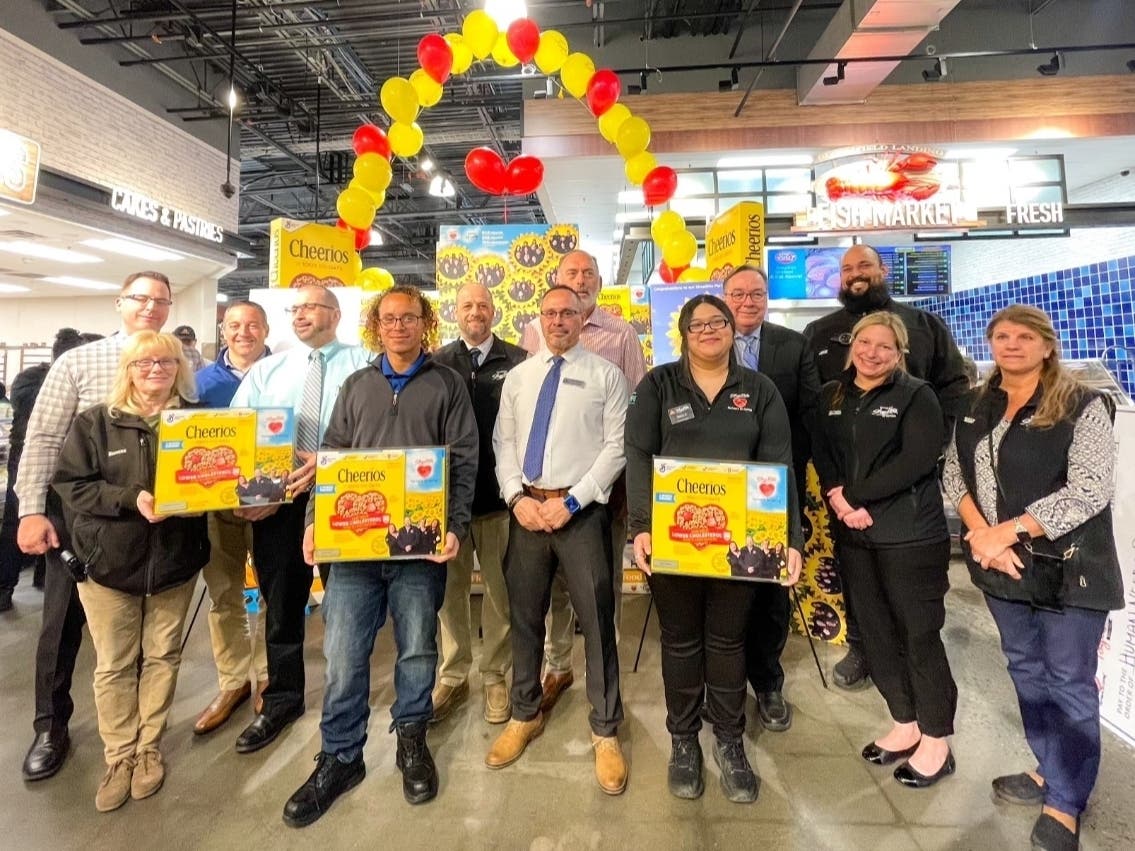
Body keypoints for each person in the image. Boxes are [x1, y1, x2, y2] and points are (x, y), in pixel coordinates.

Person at [283, 284, 477, 826]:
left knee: (417, 650)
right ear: (376, 325)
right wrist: (314, 519)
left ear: (424, 323)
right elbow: (331, 459)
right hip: (354, 549)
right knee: (344, 655)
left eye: (408, 317)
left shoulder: (447, 384)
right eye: (389, 318)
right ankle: (340, 756)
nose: (398, 327)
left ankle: (411, 738)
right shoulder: (357, 385)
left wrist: (455, 525)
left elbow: (463, 459)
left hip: (418, 546)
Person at [943, 304, 1123, 851]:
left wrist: (1007, 533)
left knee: (1068, 681)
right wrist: (983, 537)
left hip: (1069, 570)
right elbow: (954, 475)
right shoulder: (975, 405)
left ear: (1047, 346)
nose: (1011, 344)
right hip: (1002, 567)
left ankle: (1066, 802)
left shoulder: (1083, 405)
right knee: (1025, 669)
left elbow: (1089, 491)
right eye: (1001, 336)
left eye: (1024, 336)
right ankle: (1051, 767)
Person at [625, 294, 803, 803]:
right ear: (684, 334)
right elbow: (637, 455)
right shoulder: (658, 385)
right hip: (675, 541)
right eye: (697, 324)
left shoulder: (760, 391)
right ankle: (684, 741)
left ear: (731, 329)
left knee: (727, 643)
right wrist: (641, 526)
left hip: (739, 548)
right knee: (680, 642)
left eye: (718, 322)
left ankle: (729, 741)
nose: (709, 330)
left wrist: (788, 539)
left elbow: (779, 465)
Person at [16, 272, 174, 781]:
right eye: (140, 298)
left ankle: (141, 740)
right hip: (82, 517)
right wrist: (31, 509)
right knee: (62, 625)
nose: (150, 307)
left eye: (160, 300)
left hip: (156, 528)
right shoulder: (79, 361)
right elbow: (43, 438)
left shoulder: (176, 360)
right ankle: (50, 727)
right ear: (119, 302)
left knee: (148, 638)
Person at [51, 331, 208, 811]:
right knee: (114, 663)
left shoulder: (199, 423)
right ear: (129, 369)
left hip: (175, 562)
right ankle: (119, 756)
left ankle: (148, 749)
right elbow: (71, 484)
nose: (155, 369)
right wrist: (129, 499)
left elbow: (216, 478)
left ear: (179, 369)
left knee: (162, 656)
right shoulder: (96, 422)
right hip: (109, 565)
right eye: (145, 362)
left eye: (166, 362)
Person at [803, 243, 968, 690]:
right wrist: (839, 492)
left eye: (865, 266)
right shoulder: (819, 332)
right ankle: (863, 646)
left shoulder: (924, 325)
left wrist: (932, 439)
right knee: (859, 579)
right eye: (847, 268)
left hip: (908, 489)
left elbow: (954, 386)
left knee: (912, 595)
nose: (855, 274)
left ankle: (915, 660)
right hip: (844, 491)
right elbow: (816, 411)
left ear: (883, 271)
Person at [487, 286, 629, 795]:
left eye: (568, 312)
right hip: (527, 510)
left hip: (581, 513)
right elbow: (503, 441)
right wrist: (514, 497)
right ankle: (524, 714)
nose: (558, 320)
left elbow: (616, 448)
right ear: (540, 319)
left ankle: (605, 729)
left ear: (583, 316)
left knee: (597, 621)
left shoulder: (606, 375)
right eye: (549, 313)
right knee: (525, 618)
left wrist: (572, 501)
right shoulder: (520, 377)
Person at [811, 312, 957, 789]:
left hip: (909, 534)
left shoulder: (916, 395)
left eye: (884, 346)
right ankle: (904, 722)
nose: (872, 353)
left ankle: (936, 739)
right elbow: (824, 452)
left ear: (899, 353)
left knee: (918, 635)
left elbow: (918, 459)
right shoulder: (832, 396)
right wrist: (837, 496)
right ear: (852, 344)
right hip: (854, 535)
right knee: (874, 633)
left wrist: (856, 497)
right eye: (864, 342)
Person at [229, 283, 372, 755]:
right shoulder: (267, 371)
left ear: (335, 314)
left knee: (347, 606)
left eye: (310, 306)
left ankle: (346, 699)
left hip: (343, 499)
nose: (300, 315)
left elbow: (379, 433)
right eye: (295, 308)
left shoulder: (366, 365)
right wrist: (252, 491)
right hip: (279, 503)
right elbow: (239, 433)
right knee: (282, 604)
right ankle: (283, 699)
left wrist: (330, 463)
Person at [519, 250, 646, 715]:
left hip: (602, 493)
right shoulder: (534, 332)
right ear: (556, 281)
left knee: (601, 585)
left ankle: (603, 671)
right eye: (571, 272)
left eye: (588, 273)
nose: (580, 279)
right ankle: (558, 665)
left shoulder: (622, 333)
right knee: (551, 586)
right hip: (544, 490)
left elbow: (637, 407)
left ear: (599, 282)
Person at [722, 265, 820, 731]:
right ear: (724, 298)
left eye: (756, 293)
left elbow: (809, 413)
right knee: (724, 583)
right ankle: (724, 682)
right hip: (721, 487)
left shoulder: (793, 345)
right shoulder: (706, 341)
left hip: (774, 488)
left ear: (767, 297)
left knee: (771, 586)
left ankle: (767, 683)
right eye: (738, 294)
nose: (748, 301)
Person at [431, 282, 527, 724]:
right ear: (456, 311)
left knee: (500, 593)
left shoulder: (518, 361)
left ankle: (495, 675)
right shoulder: (436, 363)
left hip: (498, 500)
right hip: (446, 504)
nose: (475, 311)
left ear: (494, 311)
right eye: (467, 305)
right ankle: (453, 675)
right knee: (449, 594)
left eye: (483, 305)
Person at [190, 301, 272, 735]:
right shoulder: (198, 384)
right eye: (235, 325)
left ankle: (268, 675)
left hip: (272, 504)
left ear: (266, 329)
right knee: (224, 593)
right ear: (223, 331)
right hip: (217, 507)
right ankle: (233, 681)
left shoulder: (286, 373)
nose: (244, 333)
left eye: (253, 325)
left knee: (275, 592)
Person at [2, 329, 97, 611]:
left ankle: (40, 578)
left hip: (69, 466)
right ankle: (6, 586)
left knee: (58, 530)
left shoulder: (31, 379)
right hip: (30, 458)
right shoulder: (32, 379)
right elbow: (37, 422)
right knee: (20, 522)